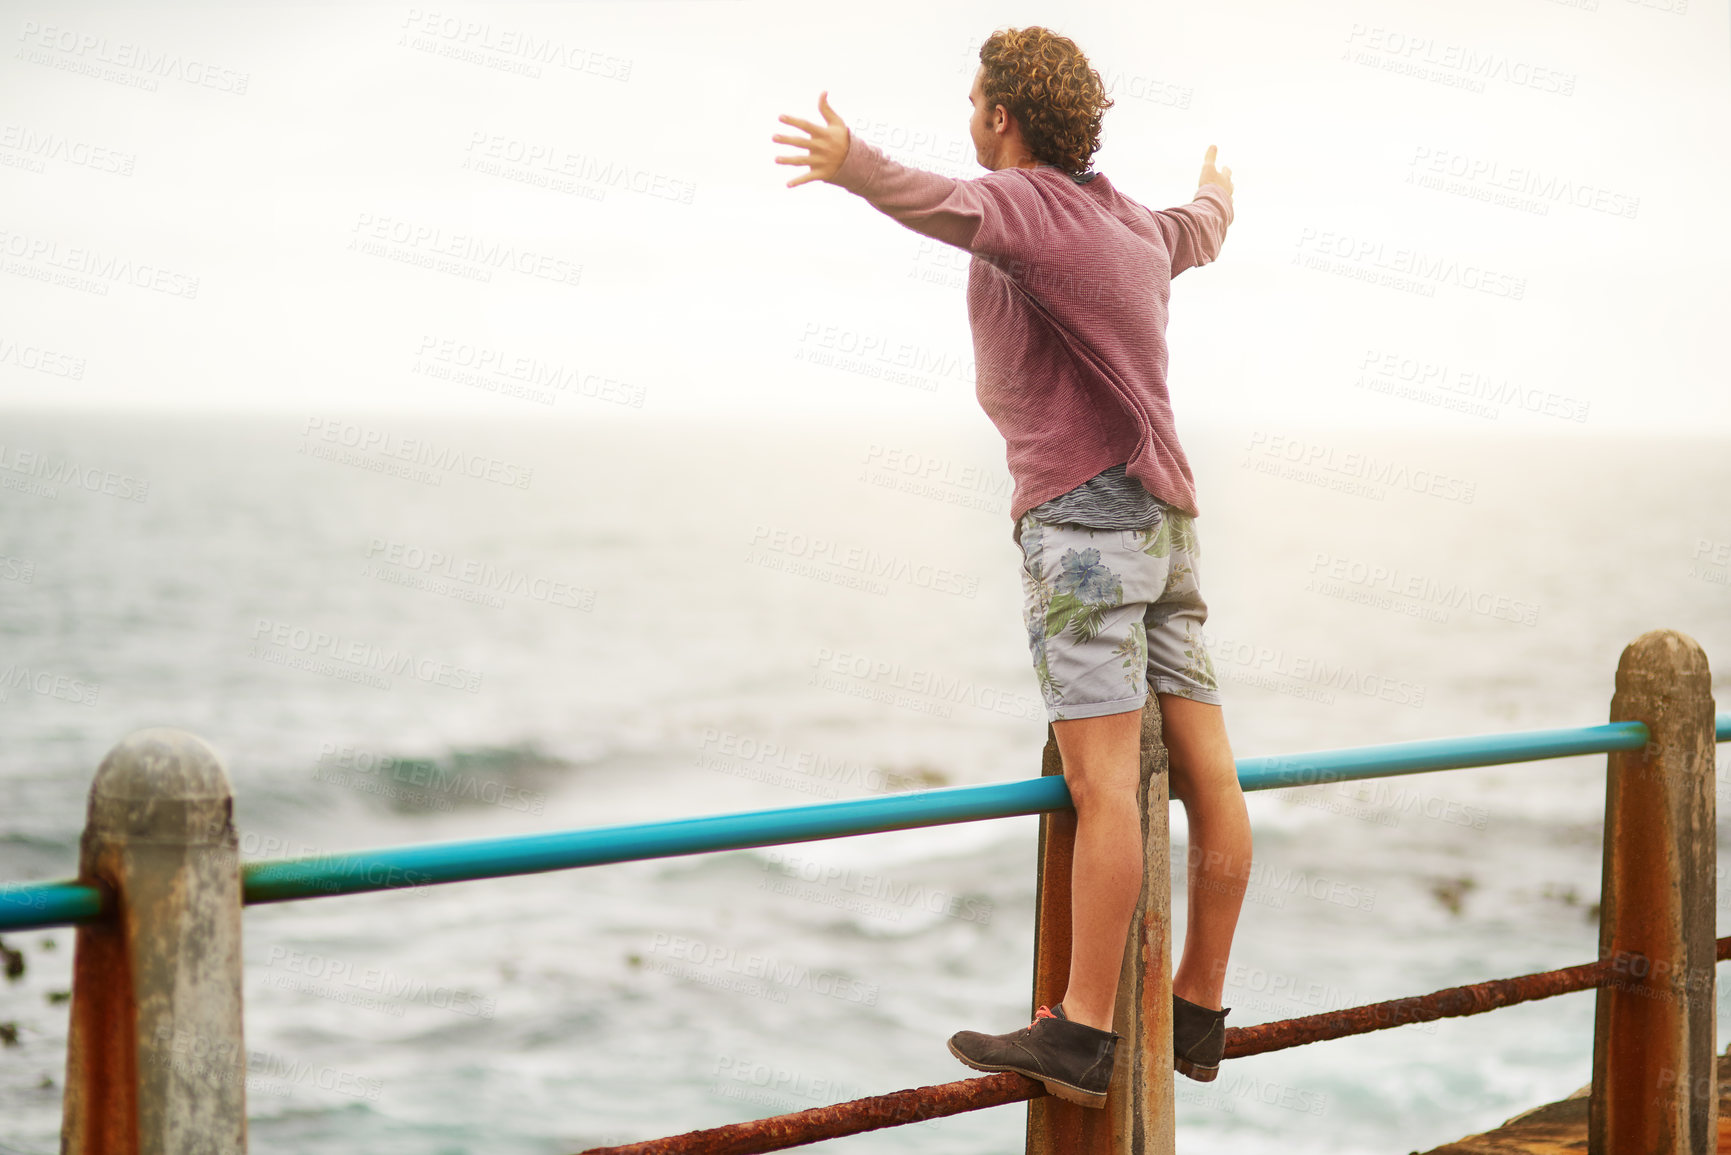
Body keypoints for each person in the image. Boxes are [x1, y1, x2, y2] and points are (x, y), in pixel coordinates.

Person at [773, 25, 1253, 1109]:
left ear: (1001, 116)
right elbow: (1202, 228)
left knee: (1102, 787)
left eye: (977, 102)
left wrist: (851, 163)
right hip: (1169, 523)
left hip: (1084, 531)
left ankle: (1083, 1033)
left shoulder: (1028, 208)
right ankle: (1200, 1011)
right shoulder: (1134, 221)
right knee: (1208, 776)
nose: (971, 119)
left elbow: (942, 202)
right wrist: (1219, 187)